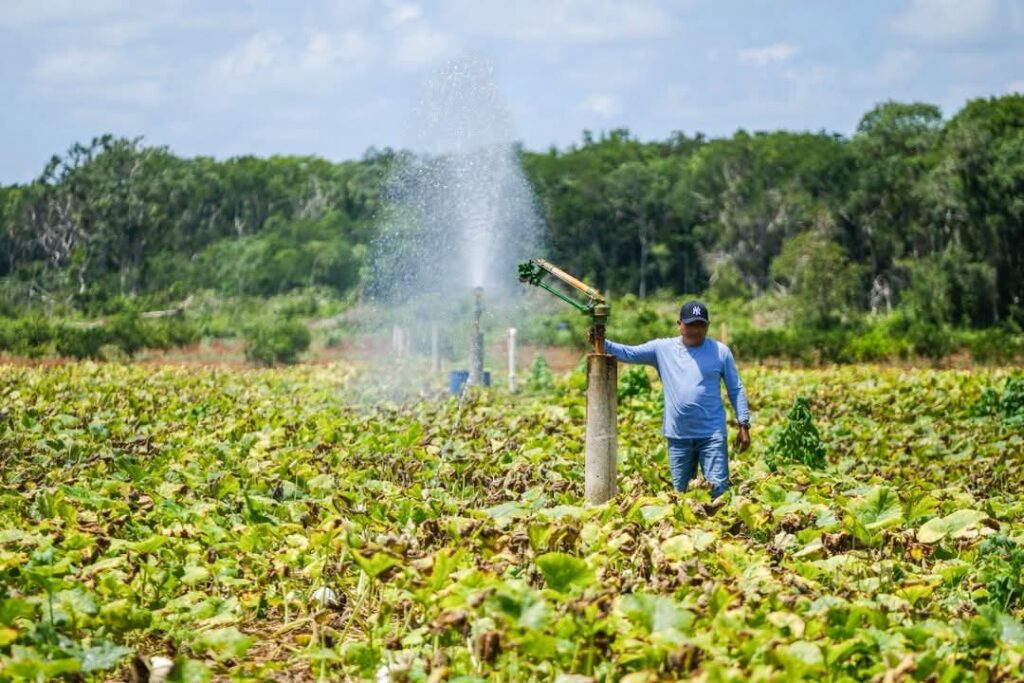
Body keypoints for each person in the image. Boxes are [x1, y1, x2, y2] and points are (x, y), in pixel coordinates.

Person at [597, 300, 751, 498]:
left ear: (707, 326)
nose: (695, 330)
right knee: (681, 494)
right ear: (679, 324)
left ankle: (718, 527)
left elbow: (735, 389)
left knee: (718, 492)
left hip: (711, 435)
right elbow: (628, 352)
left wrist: (743, 424)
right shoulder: (662, 349)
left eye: (700, 325)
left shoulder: (720, 352)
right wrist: (600, 341)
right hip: (678, 436)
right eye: (690, 324)